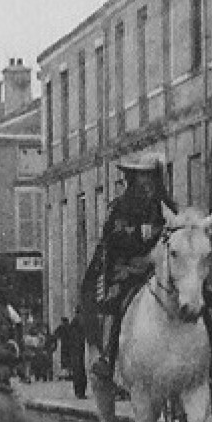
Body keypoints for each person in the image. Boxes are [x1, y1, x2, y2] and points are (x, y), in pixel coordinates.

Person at [82, 152, 176, 381]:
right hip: (129, 270)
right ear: (132, 178)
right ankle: (108, 356)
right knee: (118, 303)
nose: (146, 182)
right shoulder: (121, 207)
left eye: (150, 176)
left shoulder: (168, 207)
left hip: (163, 268)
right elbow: (112, 237)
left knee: (198, 300)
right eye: (141, 176)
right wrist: (138, 241)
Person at [53, 312, 87, 400]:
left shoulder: (72, 325)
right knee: (78, 370)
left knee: (77, 370)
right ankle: (80, 392)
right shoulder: (75, 324)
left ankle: (79, 392)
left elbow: (55, 335)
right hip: (75, 349)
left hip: (73, 349)